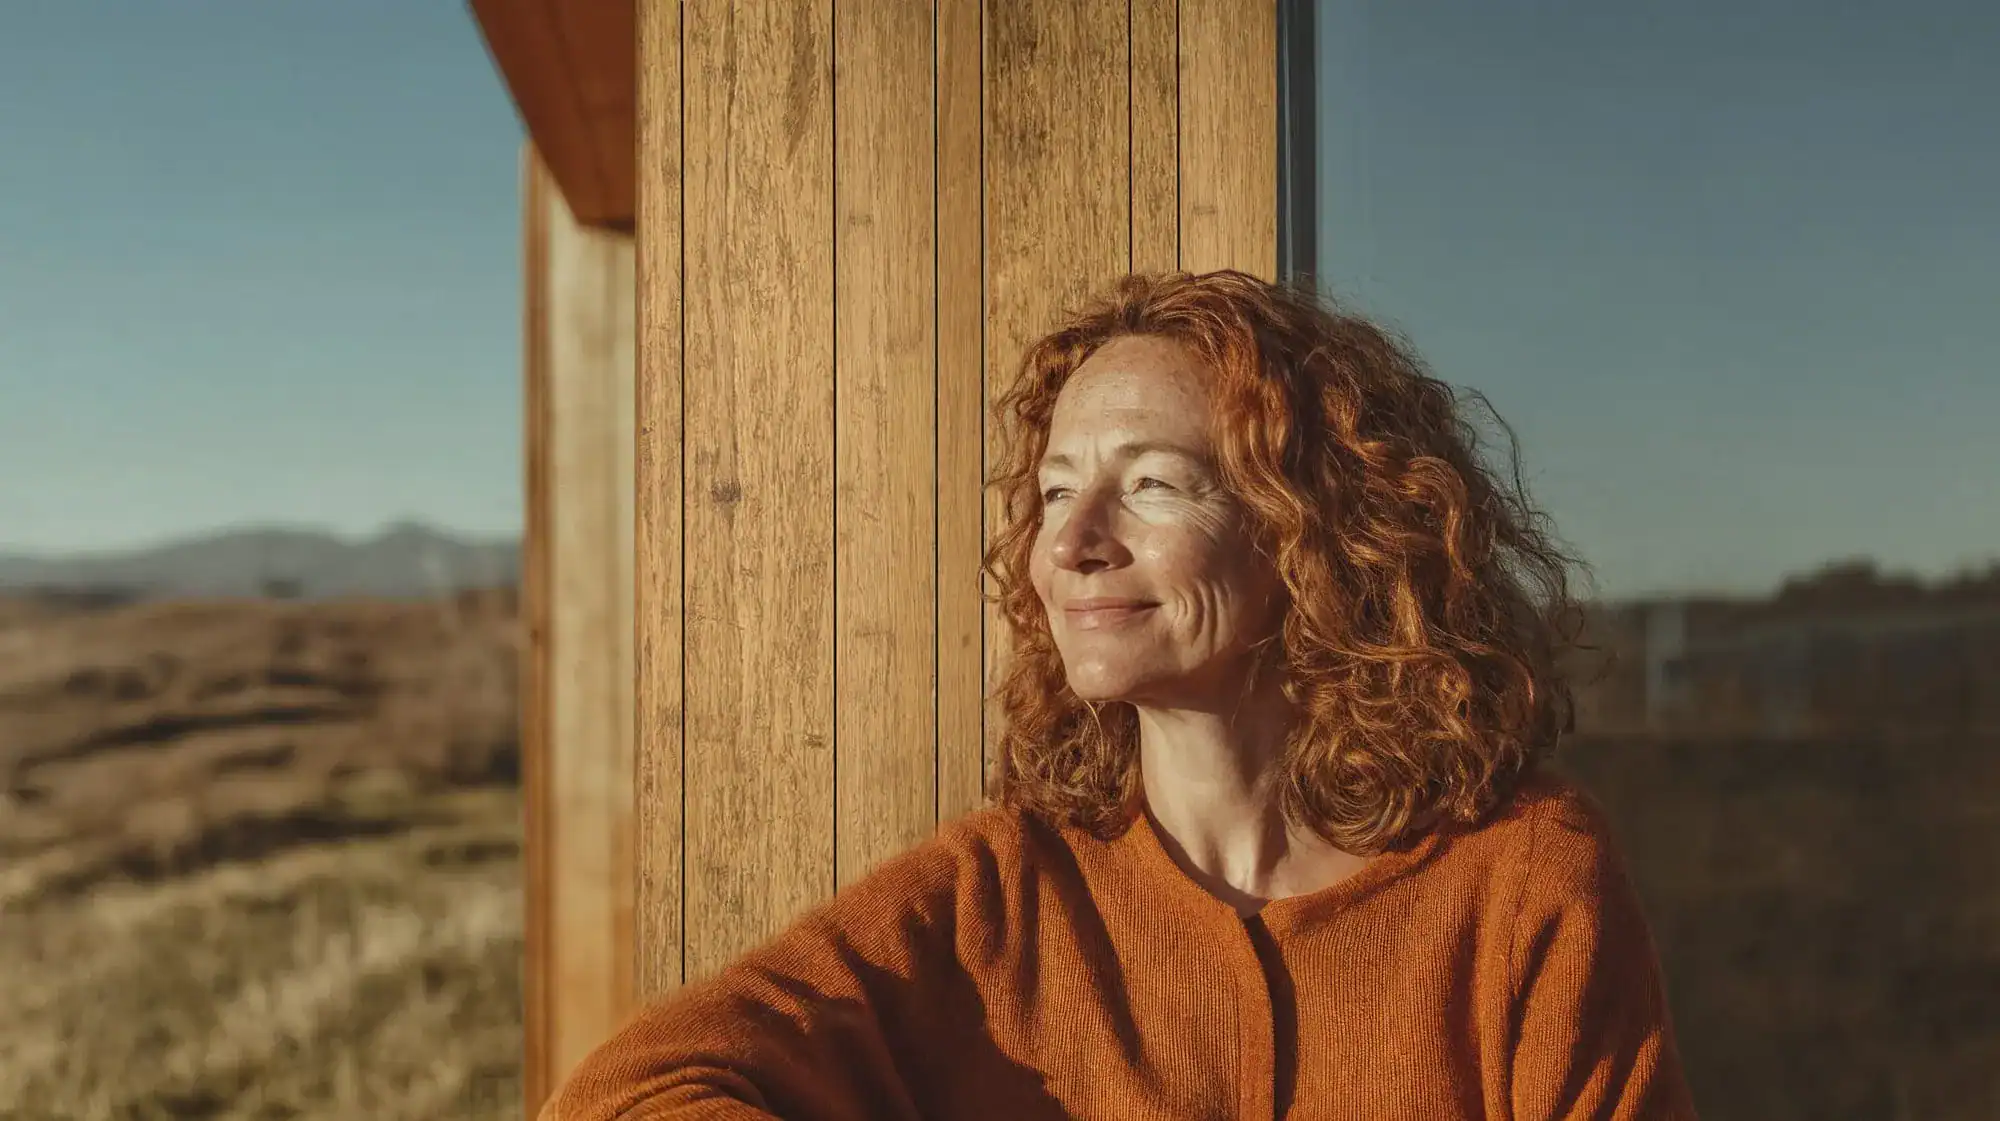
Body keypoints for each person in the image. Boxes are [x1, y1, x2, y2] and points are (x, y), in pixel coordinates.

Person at [541, 270, 1697, 1120]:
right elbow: (623, 1093)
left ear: (1319, 535)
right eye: (1053, 491)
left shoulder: (1520, 879)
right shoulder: (995, 895)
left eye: (1151, 483)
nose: (1072, 542)